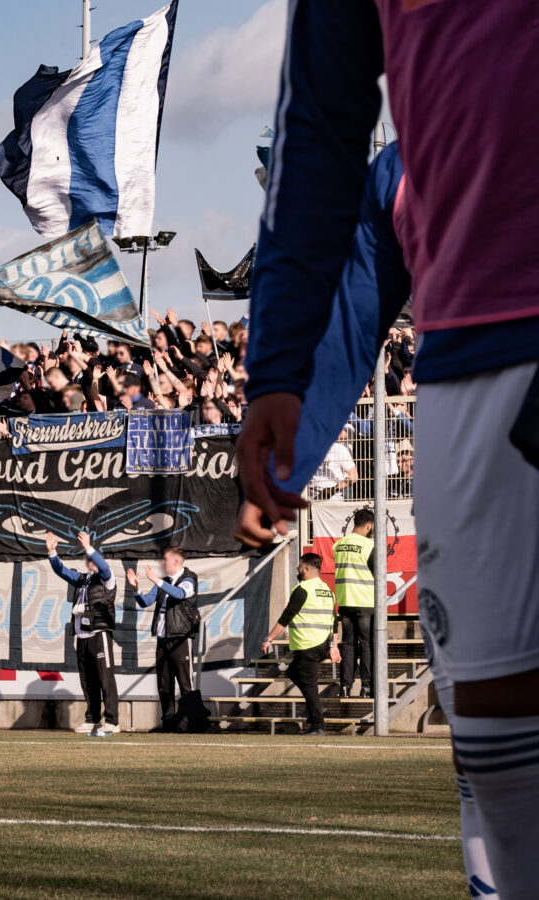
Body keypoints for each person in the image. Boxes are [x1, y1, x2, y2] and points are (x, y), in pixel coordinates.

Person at [234, 4, 530, 892]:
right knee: (494, 738)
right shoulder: (398, 179)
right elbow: (319, 134)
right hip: (469, 370)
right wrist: (281, 380)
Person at [48, 531, 120, 737]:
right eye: (87, 558)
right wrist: (52, 553)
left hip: (99, 633)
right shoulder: (82, 579)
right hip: (82, 636)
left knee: (105, 678)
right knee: (88, 681)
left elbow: (103, 567)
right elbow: (62, 571)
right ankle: (93, 719)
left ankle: (112, 721)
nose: (89, 561)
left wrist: (88, 547)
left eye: (92, 557)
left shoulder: (107, 578)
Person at [259, 554, 340, 736]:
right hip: (321, 644)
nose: (298, 568)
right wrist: (333, 646)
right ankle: (314, 713)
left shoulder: (302, 589)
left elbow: (287, 616)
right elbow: (334, 621)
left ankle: (318, 725)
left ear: (306, 569)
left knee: (309, 686)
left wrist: (269, 638)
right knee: (294, 673)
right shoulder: (327, 590)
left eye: (300, 566)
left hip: (307, 644)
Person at [127, 547, 200, 731]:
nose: (163, 562)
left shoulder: (189, 579)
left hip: (180, 638)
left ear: (177, 561)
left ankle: (190, 722)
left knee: (185, 683)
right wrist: (136, 588)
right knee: (164, 684)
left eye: (166, 559)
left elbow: (180, 594)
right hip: (162, 639)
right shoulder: (163, 582)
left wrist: (156, 580)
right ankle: (168, 722)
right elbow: (145, 601)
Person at [332, 509, 377, 699]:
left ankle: (345, 687)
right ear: (369, 526)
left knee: (348, 645)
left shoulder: (338, 545)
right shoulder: (369, 545)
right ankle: (366, 687)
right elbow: (378, 573)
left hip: (345, 601)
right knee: (366, 644)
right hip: (364, 601)